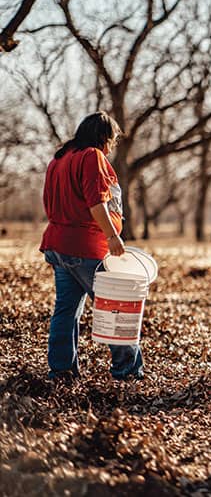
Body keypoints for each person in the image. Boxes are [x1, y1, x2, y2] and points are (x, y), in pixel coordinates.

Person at [39, 111, 144, 381]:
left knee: (66, 309)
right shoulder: (91, 157)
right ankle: (128, 371)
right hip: (87, 248)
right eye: (112, 140)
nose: (112, 147)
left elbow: (49, 202)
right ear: (102, 137)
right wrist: (111, 235)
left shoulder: (59, 159)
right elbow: (95, 202)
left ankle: (61, 370)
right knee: (116, 307)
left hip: (59, 246)